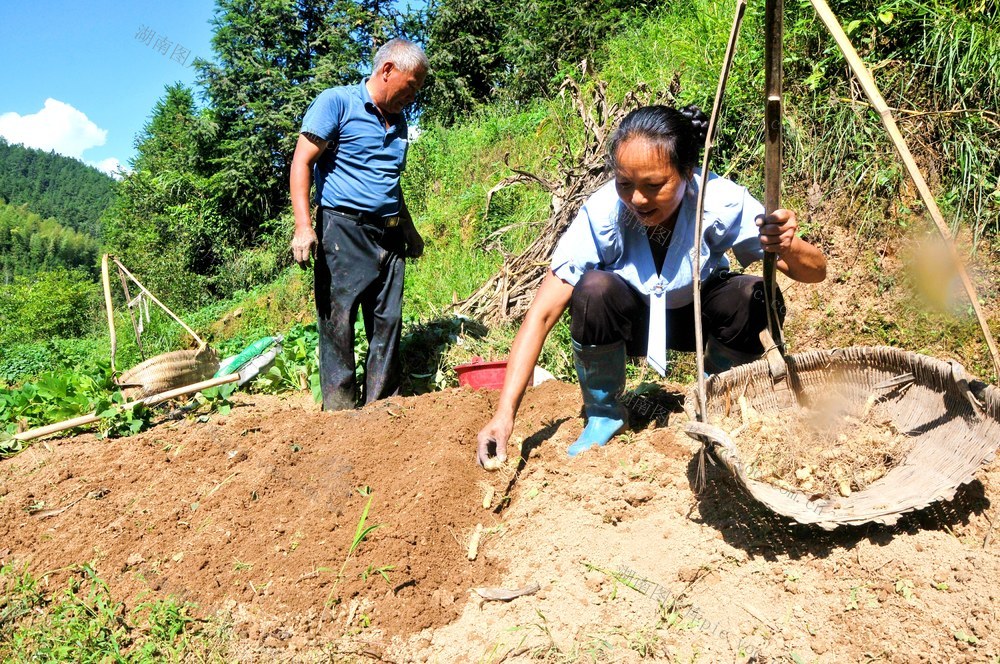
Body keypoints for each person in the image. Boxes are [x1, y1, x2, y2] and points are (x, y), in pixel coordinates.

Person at [475, 104, 827, 466]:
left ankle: (717, 400)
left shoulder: (719, 200)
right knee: (593, 288)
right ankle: (604, 414)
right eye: (625, 184)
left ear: (688, 172)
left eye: (654, 185)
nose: (637, 199)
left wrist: (789, 244)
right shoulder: (603, 211)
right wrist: (505, 416)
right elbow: (543, 313)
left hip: (699, 319)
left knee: (752, 296)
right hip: (632, 326)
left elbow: (815, 272)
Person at [290, 39, 428, 411]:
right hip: (343, 229)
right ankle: (340, 411)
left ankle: (382, 407)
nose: (412, 96)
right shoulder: (336, 102)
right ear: (387, 70)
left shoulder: (399, 123)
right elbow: (302, 162)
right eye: (411, 85)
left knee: (388, 320)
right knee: (339, 322)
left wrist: (409, 231)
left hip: (390, 233)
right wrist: (304, 225)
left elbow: (389, 182)